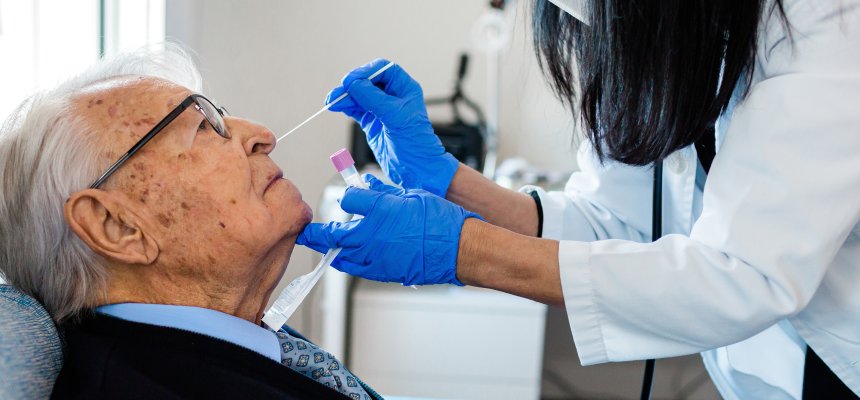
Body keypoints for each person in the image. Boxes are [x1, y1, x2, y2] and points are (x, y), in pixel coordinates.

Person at [297, 0, 860, 398]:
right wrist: (449, 180)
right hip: (765, 370)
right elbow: (616, 221)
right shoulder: (642, 34)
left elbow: (741, 274)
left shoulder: (824, 22)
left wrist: (464, 250)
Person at [0, 46, 382, 400]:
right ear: (117, 226)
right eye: (203, 126)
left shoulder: (226, 343)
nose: (263, 136)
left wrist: (446, 199)